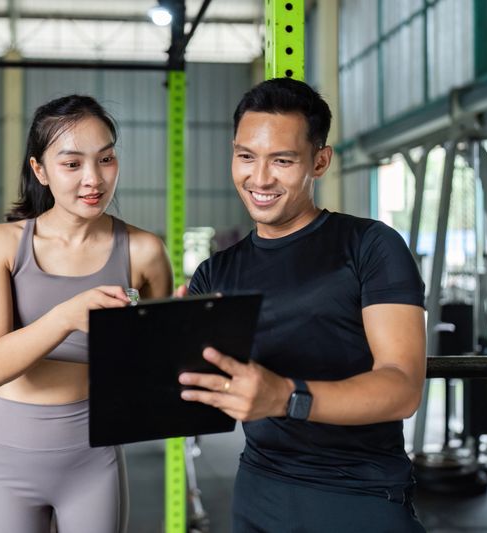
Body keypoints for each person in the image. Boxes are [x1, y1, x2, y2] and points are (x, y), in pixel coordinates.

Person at [177, 78, 427, 532]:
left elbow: (403, 387)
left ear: (320, 161)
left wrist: (287, 397)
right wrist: (159, 337)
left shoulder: (370, 246)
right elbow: (188, 393)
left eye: (282, 161)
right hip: (258, 492)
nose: (259, 178)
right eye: (246, 156)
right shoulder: (214, 274)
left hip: (360, 494)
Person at [0, 94, 172, 533]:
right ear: (39, 170)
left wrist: (192, 324)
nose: (93, 179)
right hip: (7, 454)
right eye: (71, 164)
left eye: (106, 159)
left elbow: (158, 365)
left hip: (93, 455)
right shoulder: (0, 242)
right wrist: (67, 315)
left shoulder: (144, 251)